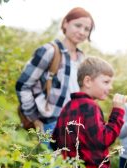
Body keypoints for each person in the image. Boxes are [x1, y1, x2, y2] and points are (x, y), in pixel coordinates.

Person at [16, 7, 94, 135]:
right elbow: (23, 85)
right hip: (51, 124)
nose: (82, 32)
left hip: (74, 125)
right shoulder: (50, 51)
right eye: (78, 25)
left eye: (87, 29)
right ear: (65, 23)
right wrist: (34, 119)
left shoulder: (82, 58)